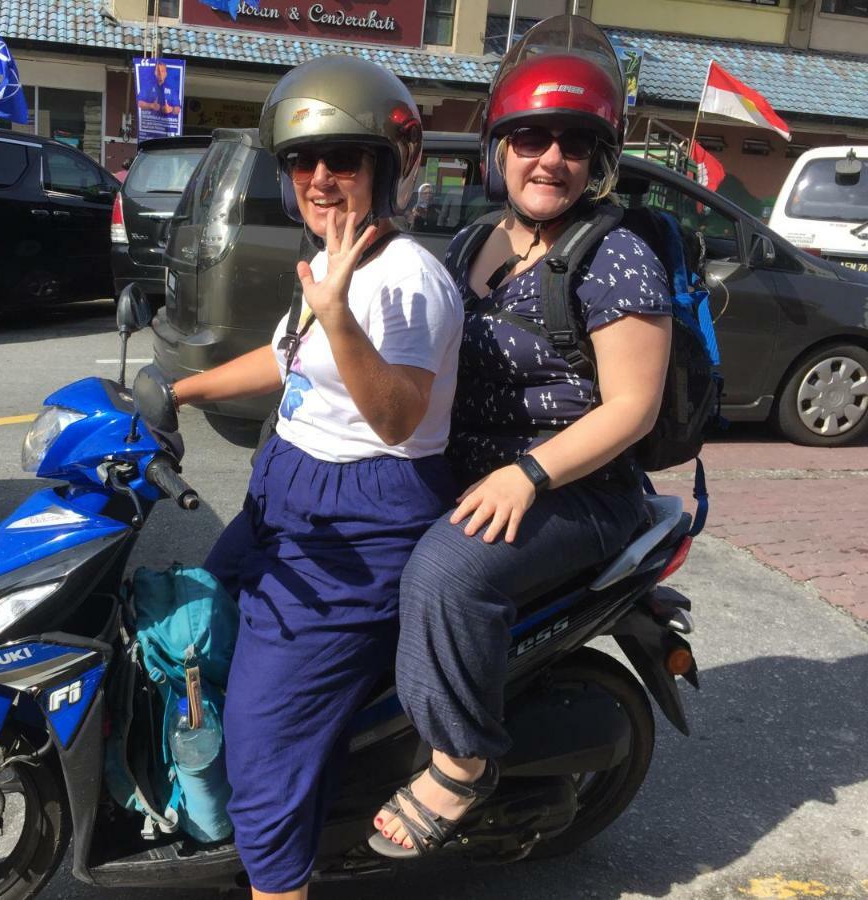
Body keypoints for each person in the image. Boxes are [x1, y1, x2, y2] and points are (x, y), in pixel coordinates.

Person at [369, 14, 673, 858]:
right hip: (471, 469)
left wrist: (527, 476)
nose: (551, 159)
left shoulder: (616, 256)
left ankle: (461, 763)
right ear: (499, 147)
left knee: (445, 574)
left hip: (578, 490)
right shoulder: (477, 237)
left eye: (573, 143)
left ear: (597, 158)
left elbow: (632, 408)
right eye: (532, 136)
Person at [170, 56, 463, 898]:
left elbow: (401, 413)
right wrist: (179, 391)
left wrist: (337, 317)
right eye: (304, 161)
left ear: (386, 168)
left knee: (262, 751)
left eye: (346, 160)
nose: (321, 178)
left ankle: (279, 881)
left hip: (358, 526)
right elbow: (283, 358)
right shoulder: (338, 260)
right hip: (288, 494)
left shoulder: (405, 280)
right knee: (198, 625)